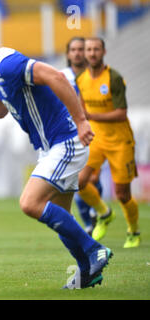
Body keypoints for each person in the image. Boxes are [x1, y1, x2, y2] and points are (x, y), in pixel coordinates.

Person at [0, 19, 112, 289]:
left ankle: (94, 250)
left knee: (29, 203)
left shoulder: (7, 64)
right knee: (59, 215)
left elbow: (54, 76)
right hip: (51, 146)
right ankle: (88, 271)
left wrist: (81, 120)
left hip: (64, 142)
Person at [76, 37, 140, 248]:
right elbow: (83, 111)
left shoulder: (113, 78)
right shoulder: (82, 80)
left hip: (120, 141)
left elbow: (121, 114)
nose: (92, 53)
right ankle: (105, 213)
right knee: (79, 182)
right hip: (97, 139)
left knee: (122, 194)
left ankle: (133, 230)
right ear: (85, 54)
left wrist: (91, 116)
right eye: (89, 50)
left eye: (96, 49)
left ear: (103, 52)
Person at [61, 37, 101, 235]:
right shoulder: (62, 76)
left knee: (92, 177)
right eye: (73, 49)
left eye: (80, 49)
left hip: (97, 130)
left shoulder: (96, 76)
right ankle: (90, 219)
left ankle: (96, 213)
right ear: (68, 54)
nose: (77, 53)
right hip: (72, 134)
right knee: (80, 179)